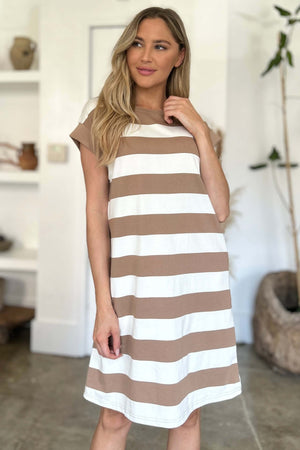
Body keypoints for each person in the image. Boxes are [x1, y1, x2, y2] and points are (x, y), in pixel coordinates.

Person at [69, 6, 242, 450]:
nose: (145, 56)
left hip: (195, 288)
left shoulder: (192, 127)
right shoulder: (102, 120)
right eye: (138, 43)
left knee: (188, 412)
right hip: (134, 290)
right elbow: (95, 215)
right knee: (114, 414)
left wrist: (200, 129)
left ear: (179, 56)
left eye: (160, 46)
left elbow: (219, 209)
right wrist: (103, 306)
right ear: (126, 50)